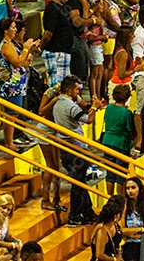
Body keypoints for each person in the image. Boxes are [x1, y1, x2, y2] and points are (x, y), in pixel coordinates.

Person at [52, 75, 103, 226]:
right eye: (76, 89)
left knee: (80, 182)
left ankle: (88, 214)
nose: (78, 92)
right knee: (77, 184)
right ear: (68, 90)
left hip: (66, 148)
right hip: (76, 149)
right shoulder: (70, 106)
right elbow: (88, 120)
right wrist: (94, 106)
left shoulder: (58, 104)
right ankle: (74, 216)